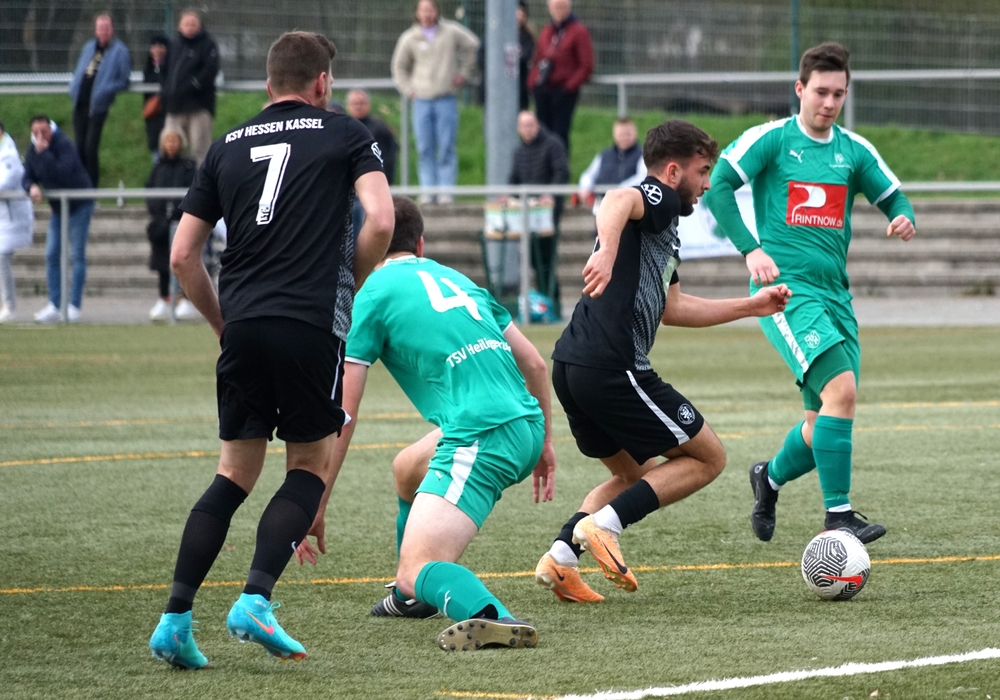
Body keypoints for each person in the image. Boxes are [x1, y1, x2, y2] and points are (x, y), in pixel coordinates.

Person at [147, 31, 393, 670]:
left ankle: (174, 619)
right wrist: (349, 279)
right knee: (309, 465)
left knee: (233, 474)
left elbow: (182, 256)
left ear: (267, 84)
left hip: (245, 323)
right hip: (309, 322)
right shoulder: (345, 133)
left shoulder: (225, 144)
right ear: (322, 83)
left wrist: (223, 324)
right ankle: (255, 598)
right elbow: (382, 219)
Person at [533, 120, 792, 603]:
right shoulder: (660, 198)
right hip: (613, 366)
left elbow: (673, 308)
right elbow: (617, 198)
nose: (707, 183)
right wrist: (607, 252)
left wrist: (751, 306)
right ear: (673, 171)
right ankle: (605, 527)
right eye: (703, 171)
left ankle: (562, 558)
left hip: (572, 366)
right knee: (709, 457)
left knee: (633, 474)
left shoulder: (662, 229)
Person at [294, 196, 555, 651]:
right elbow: (535, 364)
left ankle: (490, 616)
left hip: (481, 434)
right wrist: (545, 444)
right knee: (407, 468)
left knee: (415, 568)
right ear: (420, 244)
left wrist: (316, 501)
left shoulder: (370, 296)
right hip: (526, 423)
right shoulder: (458, 279)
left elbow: (343, 416)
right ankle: (411, 600)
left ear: (368, 244)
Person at [703, 42, 916, 546]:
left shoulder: (853, 151)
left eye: (838, 93)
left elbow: (894, 196)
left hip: (835, 296)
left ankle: (769, 478)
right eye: (821, 91)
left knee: (823, 419)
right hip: (785, 292)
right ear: (799, 89)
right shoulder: (773, 139)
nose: (829, 102)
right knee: (843, 390)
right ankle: (838, 515)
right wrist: (751, 250)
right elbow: (719, 184)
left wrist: (902, 217)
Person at [391, 0, 480, 204]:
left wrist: (463, 74)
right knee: (424, 147)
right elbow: (398, 67)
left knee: (446, 146)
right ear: (417, 13)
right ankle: (428, 191)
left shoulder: (451, 31)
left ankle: (446, 192)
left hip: (446, 98)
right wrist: (409, 90)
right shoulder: (410, 38)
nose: (427, 14)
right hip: (421, 100)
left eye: (431, 9)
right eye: (423, 10)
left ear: (437, 11)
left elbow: (473, 46)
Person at [22, 116, 94, 324]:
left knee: (77, 255)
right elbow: (27, 174)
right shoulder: (33, 149)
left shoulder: (64, 144)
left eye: (44, 131)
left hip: (79, 204)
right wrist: (31, 186)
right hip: (58, 208)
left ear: (51, 129)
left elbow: (62, 173)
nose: (40, 136)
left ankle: (74, 306)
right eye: (36, 132)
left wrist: (44, 153)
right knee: (52, 254)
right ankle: (55, 304)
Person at [508, 110, 568, 317]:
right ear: (519, 129)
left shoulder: (552, 144)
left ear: (537, 125)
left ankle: (553, 304)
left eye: (531, 125)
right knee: (534, 260)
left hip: (547, 213)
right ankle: (544, 304)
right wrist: (509, 196)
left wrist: (549, 194)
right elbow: (513, 179)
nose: (528, 129)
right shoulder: (519, 151)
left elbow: (561, 172)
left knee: (546, 260)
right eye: (524, 126)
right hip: (527, 214)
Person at [68, 13, 132, 188]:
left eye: (106, 28)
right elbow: (80, 71)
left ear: (112, 29)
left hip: (98, 107)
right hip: (81, 103)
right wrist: (73, 87)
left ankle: (91, 188)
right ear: (96, 30)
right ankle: (79, 186)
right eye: (100, 28)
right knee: (79, 147)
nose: (103, 31)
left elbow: (124, 79)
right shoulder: (89, 47)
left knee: (90, 147)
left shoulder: (120, 51)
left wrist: (106, 91)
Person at [527, 0, 593, 157]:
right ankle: (542, 167)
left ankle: (559, 167)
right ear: (549, 8)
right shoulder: (547, 31)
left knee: (560, 133)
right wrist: (533, 83)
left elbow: (586, 65)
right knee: (542, 132)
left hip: (564, 91)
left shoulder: (578, 31)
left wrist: (569, 86)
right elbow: (538, 59)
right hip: (544, 89)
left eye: (562, 7)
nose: (558, 10)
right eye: (555, 7)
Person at [145, 130, 195, 322]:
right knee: (162, 262)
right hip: (161, 223)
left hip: (182, 221)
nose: (171, 144)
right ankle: (164, 298)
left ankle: (186, 299)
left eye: (174, 140)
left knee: (183, 260)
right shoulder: (158, 166)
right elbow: (150, 189)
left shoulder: (188, 166)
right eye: (168, 141)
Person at [162, 9, 220, 165]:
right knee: (170, 150)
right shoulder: (173, 45)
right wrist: (166, 90)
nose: (190, 27)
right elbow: (165, 70)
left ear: (199, 26)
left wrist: (193, 85)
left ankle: (202, 179)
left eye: (193, 24)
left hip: (198, 107)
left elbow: (211, 70)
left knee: (200, 151)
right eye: (186, 24)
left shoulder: (207, 44)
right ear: (180, 26)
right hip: (174, 107)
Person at [346, 89, 399, 239]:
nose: (358, 106)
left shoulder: (379, 128)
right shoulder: (343, 127)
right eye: (354, 103)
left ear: (368, 105)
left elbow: (389, 156)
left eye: (361, 103)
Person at [576, 117, 647, 218]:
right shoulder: (604, 155)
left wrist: (619, 190)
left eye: (628, 134)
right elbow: (589, 174)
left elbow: (642, 177)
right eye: (621, 134)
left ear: (635, 133)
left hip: (628, 209)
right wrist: (585, 187)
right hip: (602, 207)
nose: (624, 138)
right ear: (614, 134)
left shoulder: (643, 155)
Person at [0, 119, 34, 323]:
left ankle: (9, 306)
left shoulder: (9, 154)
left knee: (2, 258)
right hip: (4, 216)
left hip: (12, 216)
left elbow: (5, 182)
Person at [477, 0, 535, 111]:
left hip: (517, 90)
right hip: (493, 87)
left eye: (522, 14)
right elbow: (481, 56)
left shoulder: (527, 37)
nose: (519, 18)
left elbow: (525, 57)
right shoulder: (494, 34)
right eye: (516, 13)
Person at [142, 34, 170, 160]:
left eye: (160, 46)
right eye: (154, 46)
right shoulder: (149, 68)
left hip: (168, 111)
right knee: (156, 147)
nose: (157, 50)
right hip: (153, 113)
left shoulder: (171, 66)